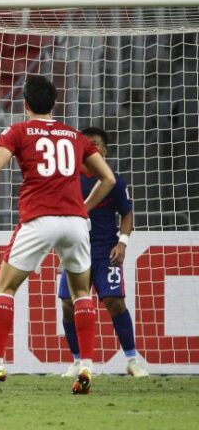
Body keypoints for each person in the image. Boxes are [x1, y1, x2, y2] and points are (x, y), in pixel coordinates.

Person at [0, 75, 117, 395]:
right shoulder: (74, 136)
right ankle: (86, 364)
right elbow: (109, 179)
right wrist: (84, 207)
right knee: (81, 295)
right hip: (75, 223)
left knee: (5, 288)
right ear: (55, 104)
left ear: (25, 104)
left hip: (39, 219)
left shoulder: (18, 131)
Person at [58, 127, 148, 378]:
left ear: (104, 149)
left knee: (115, 302)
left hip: (104, 253)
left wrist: (122, 242)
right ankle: (77, 361)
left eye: (95, 144)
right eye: (86, 145)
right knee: (67, 305)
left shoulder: (114, 181)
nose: (91, 148)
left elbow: (127, 213)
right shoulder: (69, 178)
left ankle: (132, 360)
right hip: (75, 252)